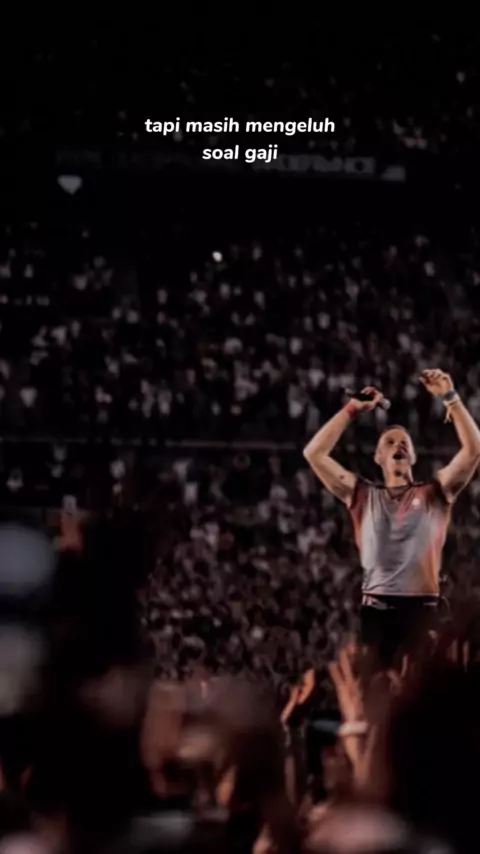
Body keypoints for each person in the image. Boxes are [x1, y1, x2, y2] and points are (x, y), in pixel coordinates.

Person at [303, 370, 480, 667]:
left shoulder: (435, 492)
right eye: (389, 442)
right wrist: (352, 409)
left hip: (422, 612)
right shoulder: (362, 495)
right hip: (377, 614)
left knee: (422, 692)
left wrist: (451, 398)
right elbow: (314, 453)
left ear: (413, 457)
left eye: (404, 442)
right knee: (379, 693)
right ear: (377, 457)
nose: (398, 445)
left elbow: (474, 450)